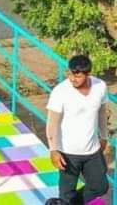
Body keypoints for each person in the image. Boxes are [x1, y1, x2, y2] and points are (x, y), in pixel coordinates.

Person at [46, 55, 109, 204]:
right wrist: (53, 150)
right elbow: (51, 123)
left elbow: (101, 112)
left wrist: (104, 136)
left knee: (100, 186)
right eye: (70, 74)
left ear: (88, 74)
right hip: (67, 152)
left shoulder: (100, 86)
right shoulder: (60, 91)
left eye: (77, 76)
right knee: (66, 193)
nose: (72, 79)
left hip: (92, 149)